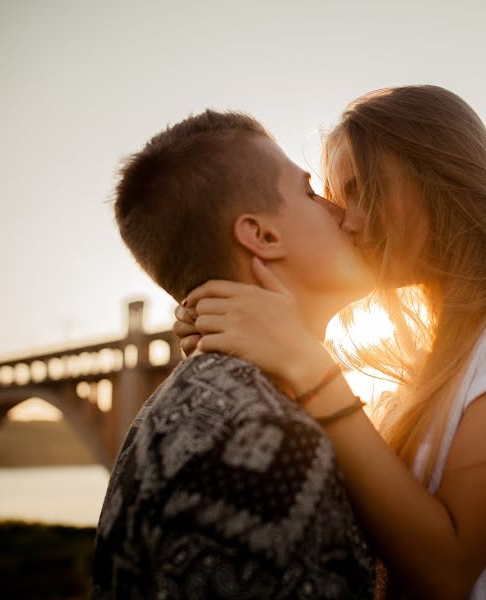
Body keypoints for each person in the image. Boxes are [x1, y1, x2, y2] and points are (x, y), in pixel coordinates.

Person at [174, 85, 486, 599]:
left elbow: (446, 568)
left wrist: (308, 364)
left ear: (438, 175)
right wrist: (243, 334)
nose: (349, 220)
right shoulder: (435, 359)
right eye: (339, 199)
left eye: (362, 190)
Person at [92, 109, 379, 599]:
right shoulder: (267, 441)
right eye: (310, 194)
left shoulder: (178, 411)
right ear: (262, 236)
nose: (339, 212)